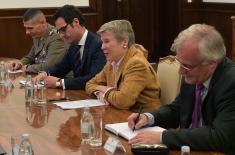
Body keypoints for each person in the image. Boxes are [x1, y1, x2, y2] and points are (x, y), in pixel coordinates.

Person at [127, 24, 235, 154]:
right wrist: (149, 117)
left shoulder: (231, 82)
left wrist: (163, 137)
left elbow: (220, 136)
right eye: (180, 63)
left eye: (186, 66)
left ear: (212, 64)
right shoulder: (193, 72)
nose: (180, 71)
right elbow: (177, 109)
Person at [86, 20, 160, 111]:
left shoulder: (136, 64)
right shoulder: (111, 61)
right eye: (102, 42)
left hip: (142, 119)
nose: (102, 47)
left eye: (106, 41)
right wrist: (99, 92)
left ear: (124, 42)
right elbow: (89, 84)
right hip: (120, 116)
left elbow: (123, 101)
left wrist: (106, 92)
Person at [33, 5, 106, 90]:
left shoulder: (97, 44)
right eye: (59, 31)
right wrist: (45, 74)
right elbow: (61, 67)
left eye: (63, 29)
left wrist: (60, 82)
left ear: (76, 22)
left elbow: (93, 79)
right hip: (79, 95)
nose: (61, 35)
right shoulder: (74, 45)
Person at [8, 8, 68, 73]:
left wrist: (27, 68)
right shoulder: (37, 35)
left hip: (59, 79)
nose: (27, 32)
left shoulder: (56, 37)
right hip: (42, 77)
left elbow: (50, 66)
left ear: (42, 23)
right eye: (26, 28)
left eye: (30, 28)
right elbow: (31, 57)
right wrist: (19, 63)